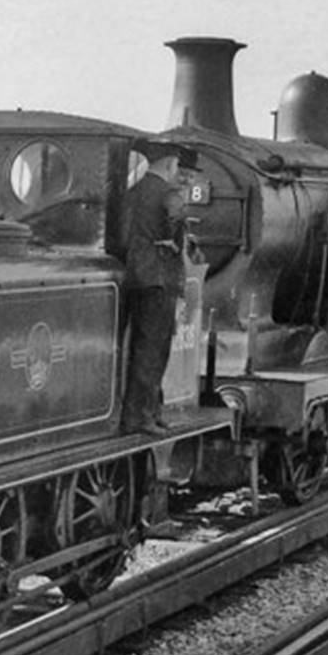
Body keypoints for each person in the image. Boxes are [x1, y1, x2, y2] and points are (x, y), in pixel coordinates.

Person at [118, 139, 194, 435]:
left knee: (140, 345)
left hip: (136, 272)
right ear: (170, 164)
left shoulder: (134, 191)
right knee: (153, 347)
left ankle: (150, 409)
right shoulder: (168, 193)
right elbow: (176, 219)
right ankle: (140, 416)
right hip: (159, 276)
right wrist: (174, 241)